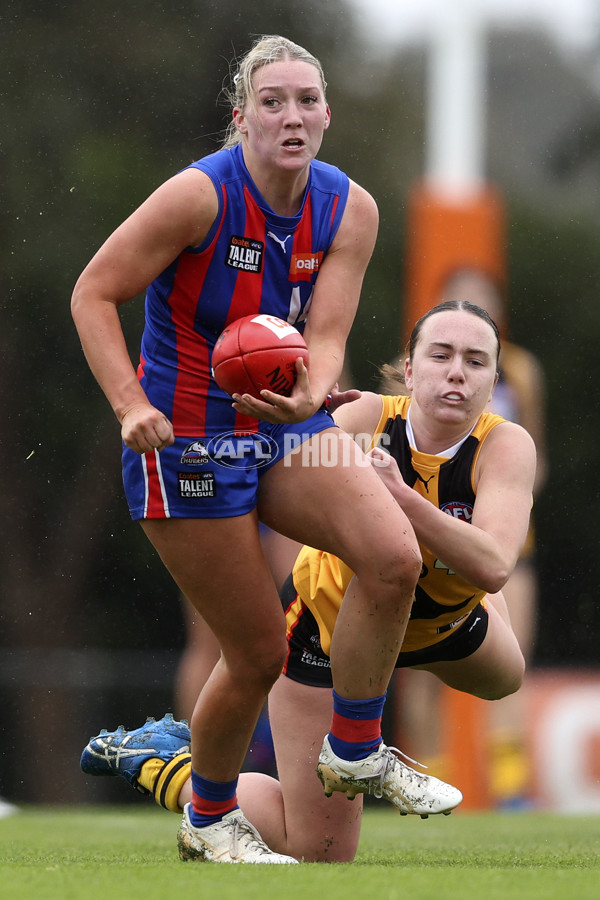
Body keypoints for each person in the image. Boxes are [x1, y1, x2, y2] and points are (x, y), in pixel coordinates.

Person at [71, 35, 460, 865]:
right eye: (273, 102)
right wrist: (131, 404)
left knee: (395, 555)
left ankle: (354, 749)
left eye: (307, 100)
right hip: (183, 440)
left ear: (327, 114)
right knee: (253, 652)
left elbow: (324, 338)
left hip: (282, 429)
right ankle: (209, 822)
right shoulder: (198, 199)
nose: (293, 116)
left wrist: (310, 393)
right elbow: (94, 291)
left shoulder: (350, 208)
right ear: (241, 117)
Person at [81, 300, 536, 862]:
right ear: (411, 370)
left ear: (494, 379)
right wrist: (290, 421)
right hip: (325, 633)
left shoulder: (507, 443)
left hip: (443, 622)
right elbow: (271, 469)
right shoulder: (362, 418)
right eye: (440, 356)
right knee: (321, 853)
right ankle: (169, 766)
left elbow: (493, 567)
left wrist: (400, 499)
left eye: (475, 361)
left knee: (506, 676)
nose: (457, 372)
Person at [383, 268, 548, 807]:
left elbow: (534, 458)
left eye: (476, 361)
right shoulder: (396, 392)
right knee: (421, 675)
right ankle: (430, 778)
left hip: (502, 547)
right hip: (415, 547)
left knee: (509, 664)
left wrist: (500, 502)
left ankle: (511, 791)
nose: (458, 372)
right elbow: (365, 457)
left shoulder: (521, 372)